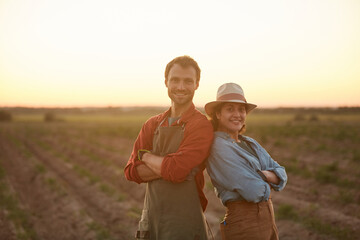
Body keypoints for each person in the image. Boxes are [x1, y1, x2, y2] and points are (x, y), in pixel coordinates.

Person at [124, 55, 214, 240]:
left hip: (185, 225)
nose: (181, 87)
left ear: (197, 84)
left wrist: (146, 156)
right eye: (175, 80)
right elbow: (131, 172)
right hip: (151, 222)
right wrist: (174, 167)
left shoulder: (200, 125)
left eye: (188, 81)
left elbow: (177, 170)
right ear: (166, 82)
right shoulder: (152, 124)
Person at [205, 82, 287, 240]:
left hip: (268, 219)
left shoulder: (249, 142)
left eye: (241, 109)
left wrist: (262, 175)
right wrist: (270, 177)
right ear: (217, 114)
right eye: (230, 109)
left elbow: (282, 174)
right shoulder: (218, 146)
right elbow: (253, 191)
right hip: (244, 223)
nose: (237, 114)